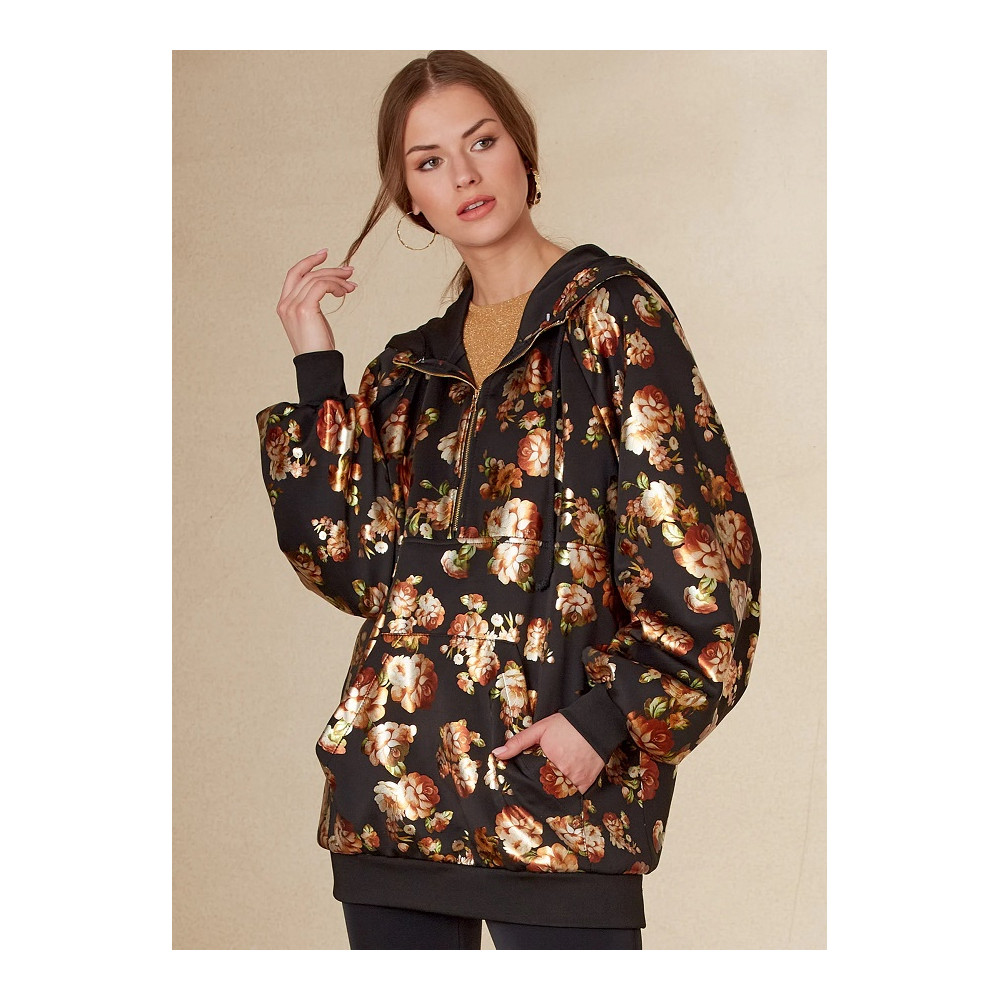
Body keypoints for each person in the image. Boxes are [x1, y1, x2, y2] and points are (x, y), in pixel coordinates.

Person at [255, 50, 762, 951]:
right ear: (411, 197)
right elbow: (349, 565)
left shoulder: (612, 317)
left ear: (523, 150)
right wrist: (315, 363)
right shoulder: (409, 371)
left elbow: (701, 555)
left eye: (481, 141)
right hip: (394, 806)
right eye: (430, 160)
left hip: (556, 809)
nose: (464, 174)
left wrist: (601, 722)